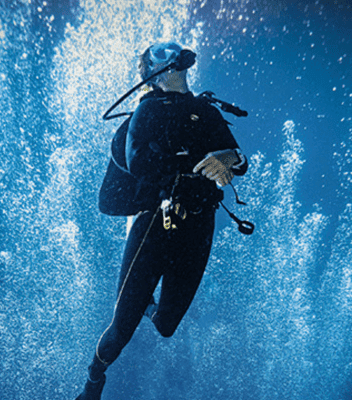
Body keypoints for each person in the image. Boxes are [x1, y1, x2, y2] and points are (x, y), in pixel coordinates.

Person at [75, 42, 248, 400]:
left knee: (166, 325)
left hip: (200, 224)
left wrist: (231, 157)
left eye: (174, 45)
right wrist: (191, 168)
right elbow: (137, 161)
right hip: (157, 220)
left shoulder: (206, 110)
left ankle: (147, 305)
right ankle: (94, 377)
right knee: (121, 329)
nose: (175, 49)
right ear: (153, 72)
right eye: (162, 50)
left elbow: (240, 160)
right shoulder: (149, 108)